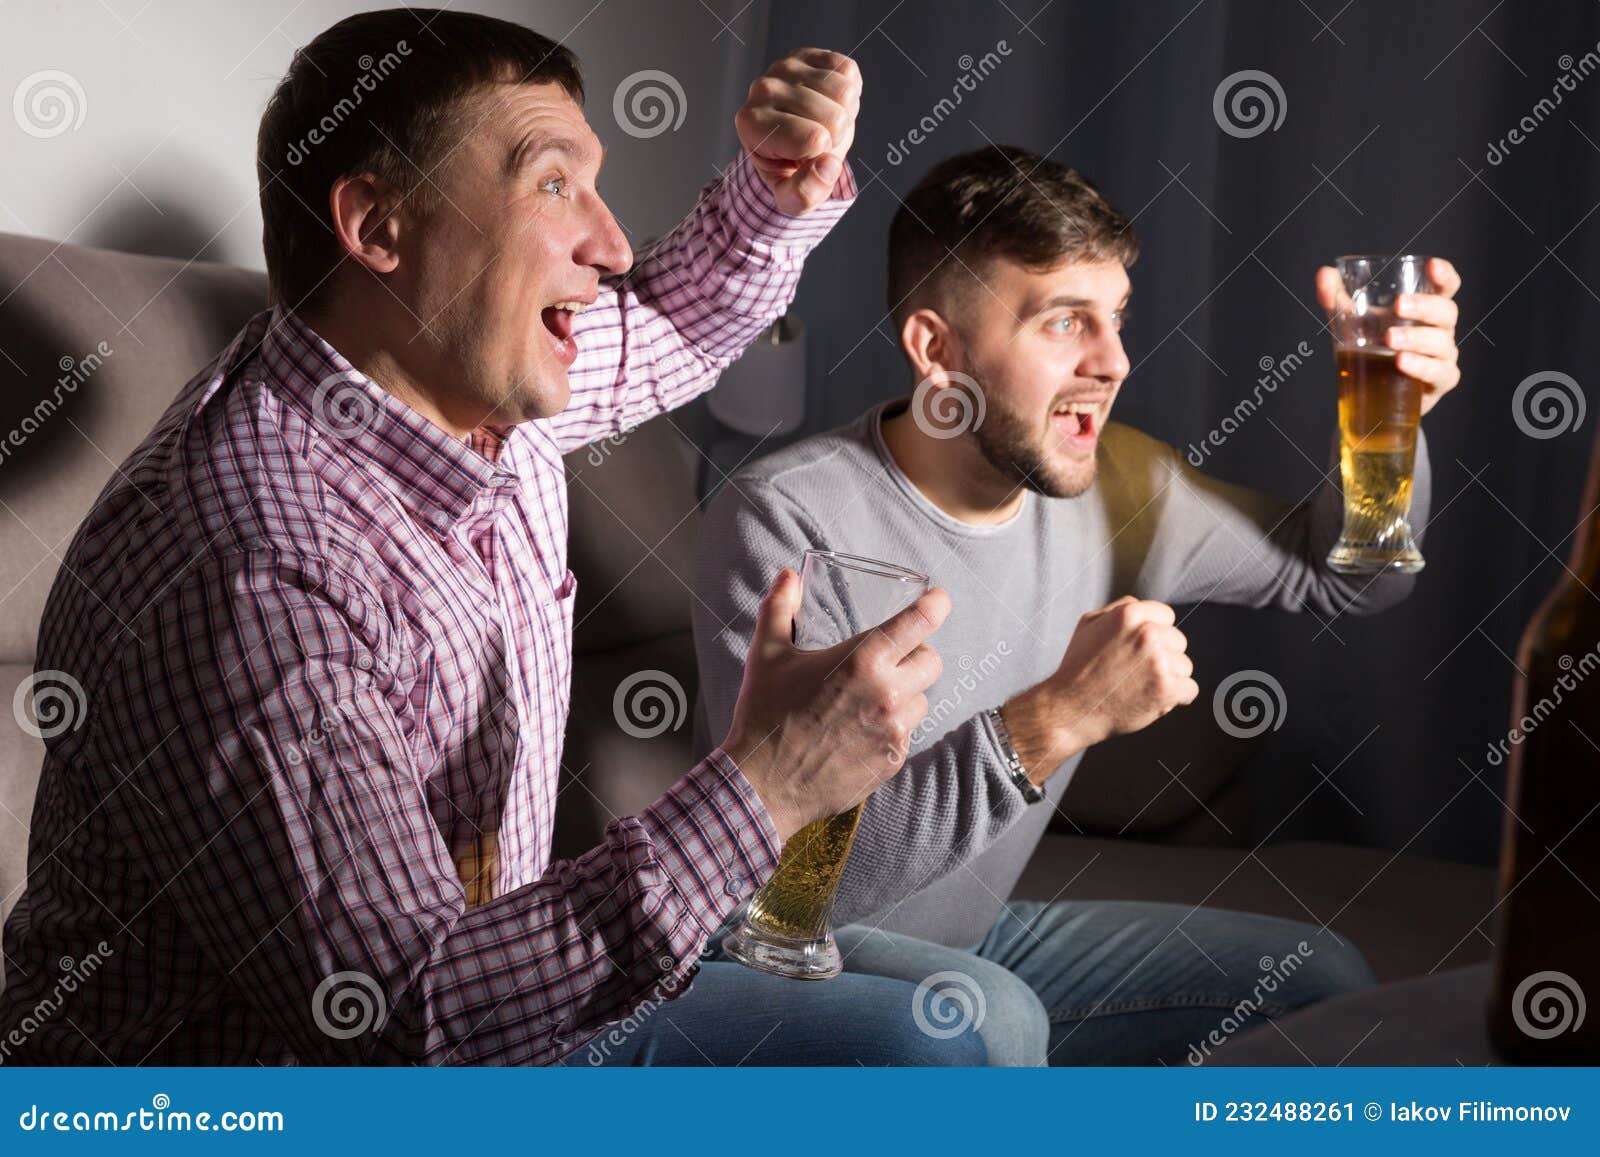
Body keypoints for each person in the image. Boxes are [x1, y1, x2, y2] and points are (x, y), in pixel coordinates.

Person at [0, 9, 978, 1067]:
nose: (608, 246)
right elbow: (400, 1017)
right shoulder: (256, 563)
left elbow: (670, 320)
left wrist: (771, 192)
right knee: (927, 1050)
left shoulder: (473, 388)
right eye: (553, 183)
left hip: (506, 1026)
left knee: (979, 1008)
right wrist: (769, 782)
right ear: (377, 227)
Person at [690, 144, 1464, 1065]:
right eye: (1065, 322)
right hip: (788, 962)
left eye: (1117, 318)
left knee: (1317, 975)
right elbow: (800, 889)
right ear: (938, 350)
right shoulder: (789, 520)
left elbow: (1346, 576)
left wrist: (1390, 423)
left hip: (978, 939)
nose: (1116, 361)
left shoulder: (1117, 490)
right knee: (990, 1017)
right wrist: (1054, 720)